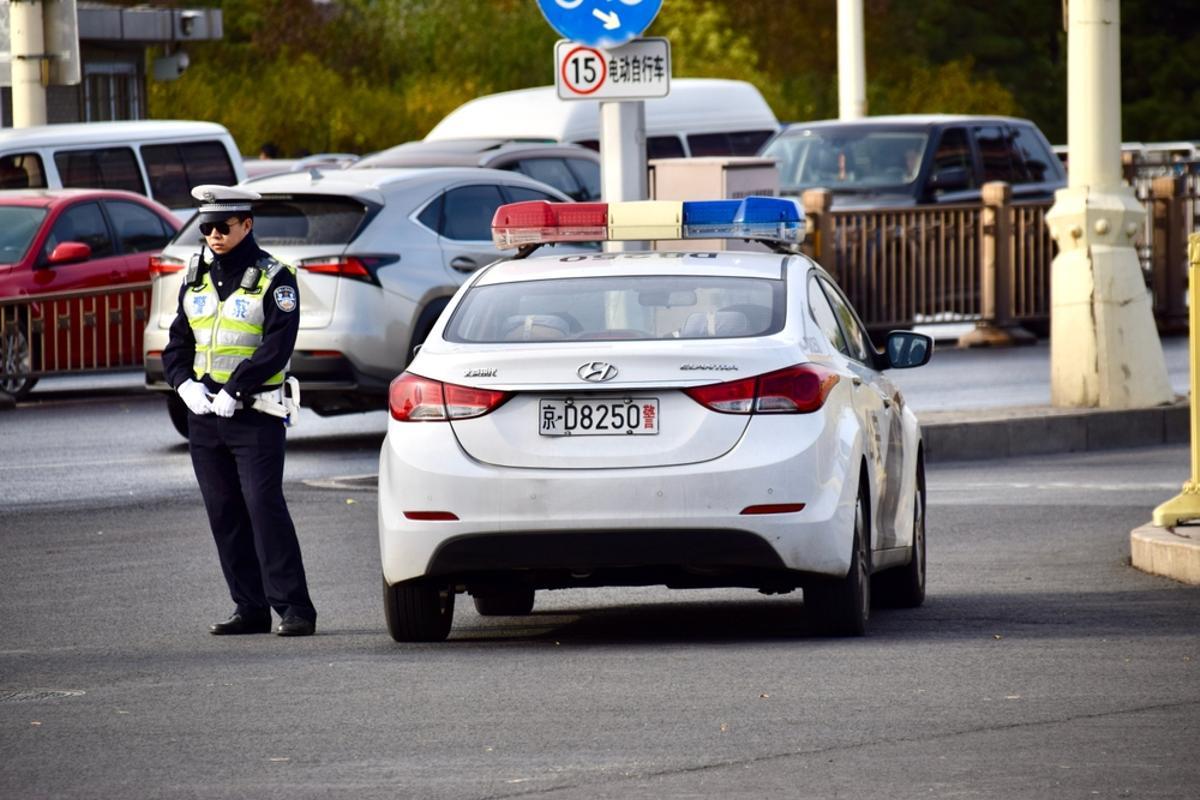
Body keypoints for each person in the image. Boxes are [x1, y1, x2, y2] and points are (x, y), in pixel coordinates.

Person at [162, 185, 317, 637]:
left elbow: (277, 344)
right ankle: (249, 607)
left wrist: (236, 387)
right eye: (205, 227)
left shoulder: (276, 277)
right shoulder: (194, 278)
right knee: (224, 511)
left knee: (263, 506)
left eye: (222, 227)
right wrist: (183, 384)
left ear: (246, 225)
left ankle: (295, 608)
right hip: (205, 416)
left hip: (255, 413)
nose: (212, 235)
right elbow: (178, 344)